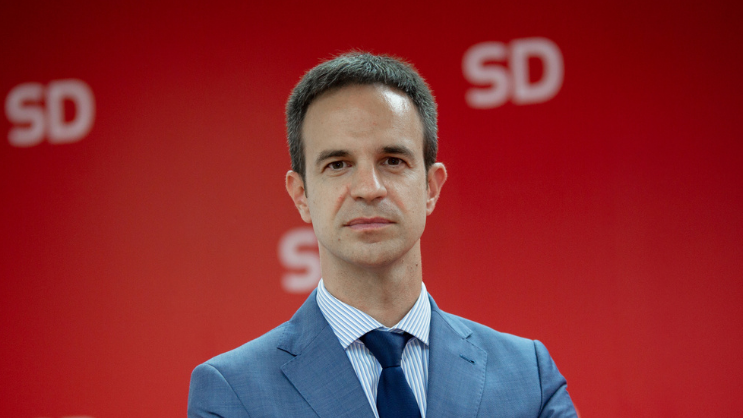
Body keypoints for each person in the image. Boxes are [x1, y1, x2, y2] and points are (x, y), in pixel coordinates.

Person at [188, 52, 578, 418]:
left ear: (431, 188)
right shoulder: (233, 391)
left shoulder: (529, 375)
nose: (368, 188)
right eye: (338, 164)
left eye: (392, 160)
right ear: (301, 195)